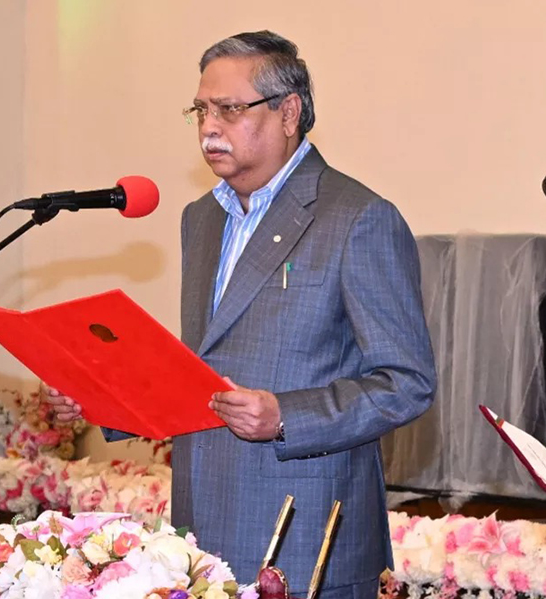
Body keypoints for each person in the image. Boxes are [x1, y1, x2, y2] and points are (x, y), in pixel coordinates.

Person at [44, 30, 437, 599]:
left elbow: (407, 383)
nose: (208, 128)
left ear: (289, 112)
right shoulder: (201, 219)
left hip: (304, 535)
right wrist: (97, 397)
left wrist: (286, 417)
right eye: (201, 110)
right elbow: (200, 373)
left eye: (229, 109)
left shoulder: (357, 219)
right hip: (201, 528)